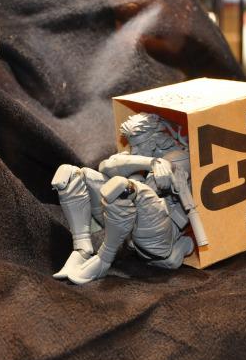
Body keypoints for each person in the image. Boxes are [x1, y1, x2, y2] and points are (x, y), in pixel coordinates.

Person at [51, 112, 206, 285]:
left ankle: (104, 260)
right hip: (124, 226)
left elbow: (149, 185)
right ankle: (82, 249)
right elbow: (105, 167)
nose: (134, 151)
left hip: (157, 235)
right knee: (71, 174)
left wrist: (153, 169)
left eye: (138, 146)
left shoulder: (179, 159)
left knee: (123, 188)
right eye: (132, 146)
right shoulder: (145, 156)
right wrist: (149, 162)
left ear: (153, 141)